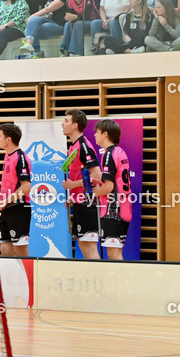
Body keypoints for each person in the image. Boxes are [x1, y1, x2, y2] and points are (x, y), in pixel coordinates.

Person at [60, 110, 104, 259]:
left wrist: (73, 185)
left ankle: (99, 279)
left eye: (66, 121)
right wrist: (72, 196)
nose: (62, 124)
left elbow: (96, 175)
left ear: (74, 125)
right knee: (82, 244)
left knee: (90, 247)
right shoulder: (72, 147)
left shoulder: (84, 146)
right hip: (79, 203)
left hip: (88, 204)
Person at [95, 118, 132, 261]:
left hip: (113, 211)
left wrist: (97, 192)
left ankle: (120, 283)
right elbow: (114, 182)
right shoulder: (120, 152)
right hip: (123, 208)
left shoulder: (109, 154)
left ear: (105, 134)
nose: (95, 135)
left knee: (114, 255)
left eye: (97, 132)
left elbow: (109, 187)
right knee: (116, 253)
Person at [0, 122, 32, 257]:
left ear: (8, 139)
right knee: (5, 248)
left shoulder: (20, 157)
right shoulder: (7, 156)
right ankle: (10, 278)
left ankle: (28, 278)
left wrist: (6, 200)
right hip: (8, 208)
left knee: (21, 249)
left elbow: (26, 187)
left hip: (19, 208)